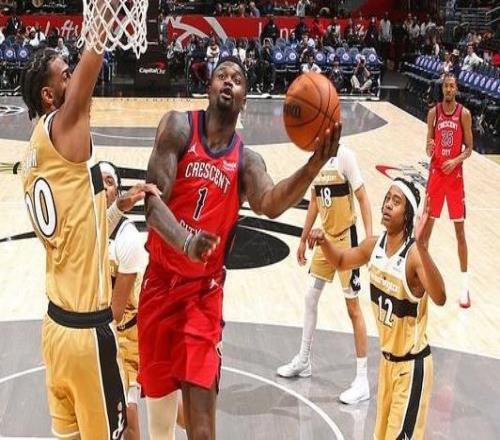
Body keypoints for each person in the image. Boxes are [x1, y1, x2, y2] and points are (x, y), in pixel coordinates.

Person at [138, 56, 342, 440]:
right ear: (209, 88)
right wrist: (186, 242)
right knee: (160, 427)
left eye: (237, 78)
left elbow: (270, 202)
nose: (229, 81)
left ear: (245, 98)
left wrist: (314, 165)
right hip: (159, 288)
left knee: (202, 430)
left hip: (202, 297)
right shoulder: (178, 126)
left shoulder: (246, 161)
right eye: (222, 75)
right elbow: (152, 204)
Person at [18, 14, 159, 436]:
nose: (74, 78)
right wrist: (104, 15)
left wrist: (117, 206)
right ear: (49, 95)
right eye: (66, 75)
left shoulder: (32, 155)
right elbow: (92, 62)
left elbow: (75, 230)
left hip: (54, 330)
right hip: (86, 335)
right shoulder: (65, 126)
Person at [308, 178, 446, 440]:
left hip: (411, 367)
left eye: (396, 201)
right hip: (386, 365)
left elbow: (440, 297)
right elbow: (341, 260)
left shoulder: (413, 256)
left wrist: (423, 246)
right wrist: (324, 241)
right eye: (387, 198)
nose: (388, 205)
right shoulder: (374, 246)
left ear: (407, 215)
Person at [277, 144, 373, 405]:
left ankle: (362, 380)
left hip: (346, 239)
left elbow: (363, 198)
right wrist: (302, 238)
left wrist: (368, 240)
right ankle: (304, 360)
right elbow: (315, 202)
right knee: (310, 297)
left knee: (353, 308)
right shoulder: (316, 159)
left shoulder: (345, 156)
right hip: (325, 239)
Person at [100, 161, 147, 440]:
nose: (102, 186)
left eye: (109, 182)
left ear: (117, 193)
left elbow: (116, 312)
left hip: (126, 335)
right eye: (98, 180)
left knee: (128, 416)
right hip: (97, 329)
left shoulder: (126, 237)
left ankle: (196, 423)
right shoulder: (84, 229)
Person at [424, 73, 473, 308]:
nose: (449, 90)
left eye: (452, 86)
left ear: (457, 89)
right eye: (446, 86)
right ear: (442, 89)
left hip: (454, 178)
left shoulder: (464, 114)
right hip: (436, 175)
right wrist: (429, 147)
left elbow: (469, 148)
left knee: (460, 233)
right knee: (426, 231)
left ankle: (464, 287)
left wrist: (455, 161)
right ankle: (423, 279)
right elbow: (427, 148)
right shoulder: (433, 113)